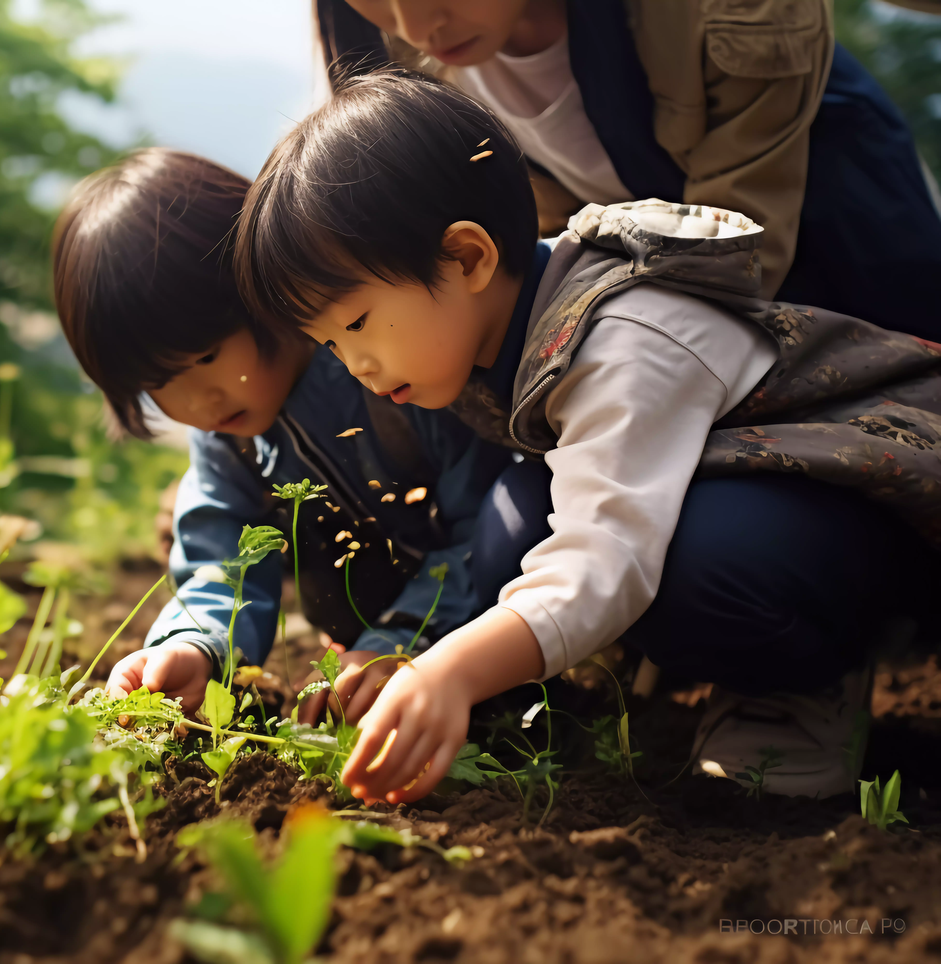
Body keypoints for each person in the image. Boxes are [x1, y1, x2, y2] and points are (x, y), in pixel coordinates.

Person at [235, 69, 941, 803]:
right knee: (514, 525)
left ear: (468, 258)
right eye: (330, 345)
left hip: (883, 520)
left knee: (703, 561)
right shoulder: (496, 330)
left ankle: (805, 681)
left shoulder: (621, 338)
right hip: (770, 497)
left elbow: (606, 553)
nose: (358, 367)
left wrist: (449, 672)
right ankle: (701, 650)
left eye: (356, 324)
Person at [50, 147, 513, 721]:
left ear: (262, 291)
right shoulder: (227, 445)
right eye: (157, 383)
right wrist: (193, 646)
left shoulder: (392, 370)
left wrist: (406, 640)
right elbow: (221, 564)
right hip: (363, 656)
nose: (198, 401)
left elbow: (481, 526)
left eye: (208, 356)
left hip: (490, 624)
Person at [313, 0, 941, 340]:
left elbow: (744, 234)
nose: (417, 24)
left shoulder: (724, 12)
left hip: (828, 225)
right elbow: (547, 215)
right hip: (657, 286)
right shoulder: (414, 60)